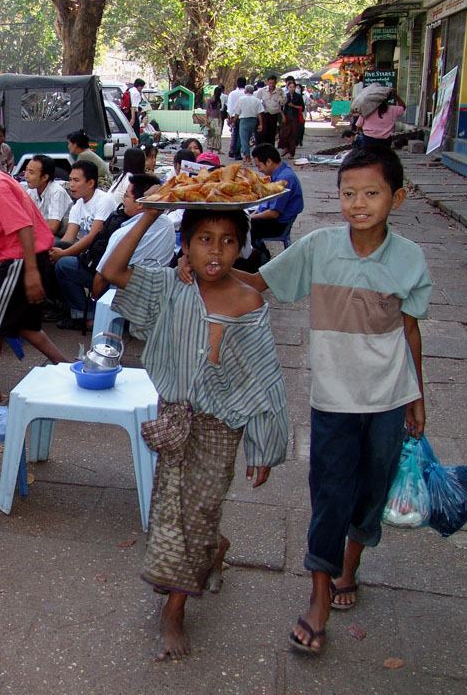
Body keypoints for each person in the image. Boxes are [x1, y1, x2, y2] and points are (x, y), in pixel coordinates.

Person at [185, 146, 430, 654]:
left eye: (371, 193)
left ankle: (351, 566)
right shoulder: (319, 247)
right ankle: (318, 594)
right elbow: (262, 283)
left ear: (397, 197)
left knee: (372, 490)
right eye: (348, 193)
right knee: (329, 495)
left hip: (388, 398)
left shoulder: (410, 259)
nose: (357, 203)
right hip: (333, 401)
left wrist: (417, 395)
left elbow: (409, 329)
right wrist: (208, 266)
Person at [100, 207, 288, 660]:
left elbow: (264, 379)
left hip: (222, 424)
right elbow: (113, 271)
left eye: (227, 240)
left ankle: (176, 607)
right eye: (204, 239)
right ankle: (187, 588)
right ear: (184, 244)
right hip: (175, 415)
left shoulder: (248, 301)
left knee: (200, 508)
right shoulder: (169, 287)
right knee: (172, 506)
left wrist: (264, 446)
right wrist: (149, 215)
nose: (216, 250)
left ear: (240, 247)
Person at [0, 128, 69, 404]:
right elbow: (8, 222)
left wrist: (30, 272)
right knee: (28, 326)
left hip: (21, 261)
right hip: (26, 258)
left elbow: (24, 226)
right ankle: (69, 370)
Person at [49, 160, 116, 330]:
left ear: (91, 182)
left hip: (105, 264)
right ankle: (69, 308)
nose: (71, 184)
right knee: (52, 254)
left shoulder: (104, 200)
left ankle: (86, 314)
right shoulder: (78, 205)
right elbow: (69, 237)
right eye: (70, 180)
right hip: (89, 259)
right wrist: (54, 250)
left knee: (63, 263)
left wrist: (63, 254)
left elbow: (94, 236)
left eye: (76, 180)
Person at [91, 174, 176, 299]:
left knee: (64, 266)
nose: (123, 200)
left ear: (140, 204)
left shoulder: (121, 234)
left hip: (121, 297)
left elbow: (102, 278)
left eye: (126, 195)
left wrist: (94, 299)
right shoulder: (168, 225)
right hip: (157, 292)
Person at [234, 145, 304, 271]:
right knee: (239, 216)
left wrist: (251, 217)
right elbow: (263, 206)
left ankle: (256, 260)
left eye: (259, 166)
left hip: (278, 223)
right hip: (270, 216)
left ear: (269, 162)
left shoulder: (285, 178)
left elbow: (273, 213)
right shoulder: (278, 174)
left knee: (243, 225)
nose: (259, 170)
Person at [23, 154, 72, 235]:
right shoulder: (31, 192)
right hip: (42, 234)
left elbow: (53, 228)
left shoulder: (56, 192)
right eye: (26, 170)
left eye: (31, 172)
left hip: (62, 236)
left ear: (44, 177)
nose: (26, 176)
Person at [235, 85, 264, 164]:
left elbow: (237, 112)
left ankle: (247, 157)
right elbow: (260, 113)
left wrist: (234, 121)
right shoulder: (257, 100)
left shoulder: (241, 99)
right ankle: (245, 156)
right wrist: (261, 124)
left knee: (244, 139)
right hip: (253, 121)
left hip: (244, 121)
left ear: (245, 92)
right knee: (249, 139)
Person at [255, 75, 286, 146]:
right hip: (264, 115)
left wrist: (281, 95)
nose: (271, 85)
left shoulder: (279, 91)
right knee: (263, 133)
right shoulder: (262, 91)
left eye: (273, 83)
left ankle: (270, 149)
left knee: (272, 134)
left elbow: (282, 103)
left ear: (275, 83)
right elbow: (257, 101)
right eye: (270, 83)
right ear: (267, 83)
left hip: (274, 115)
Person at [277, 79, 304, 159]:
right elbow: (280, 107)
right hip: (286, 117)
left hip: (295, 117)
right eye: (290, 87)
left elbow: (302, 107)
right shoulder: (286, 96)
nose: (292, 88)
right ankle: (285, 148)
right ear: (288, 88)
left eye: (293, 87)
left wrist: (294, 106)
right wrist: (283, 116)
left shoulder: (298, 97)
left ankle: (292, 153)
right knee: (284, 134)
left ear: (295, 88)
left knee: (293, 135)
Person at [226, 77, 248, 160]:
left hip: (232, 115)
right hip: (242, 116)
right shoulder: (245, 94)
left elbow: (229, 106)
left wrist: (229, 117)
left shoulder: (232, 93)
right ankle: (237, 153)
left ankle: (232, 149)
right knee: (240, 135)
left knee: (235, 133)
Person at [205, 86, 225, 152]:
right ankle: (211, 149)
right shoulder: (210, 100)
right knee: (212, 134)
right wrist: (206, 121)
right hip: (212, 118)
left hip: (217, 118)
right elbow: (207, 110)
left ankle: (217, 148)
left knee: (217, 134)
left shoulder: (218, 100)